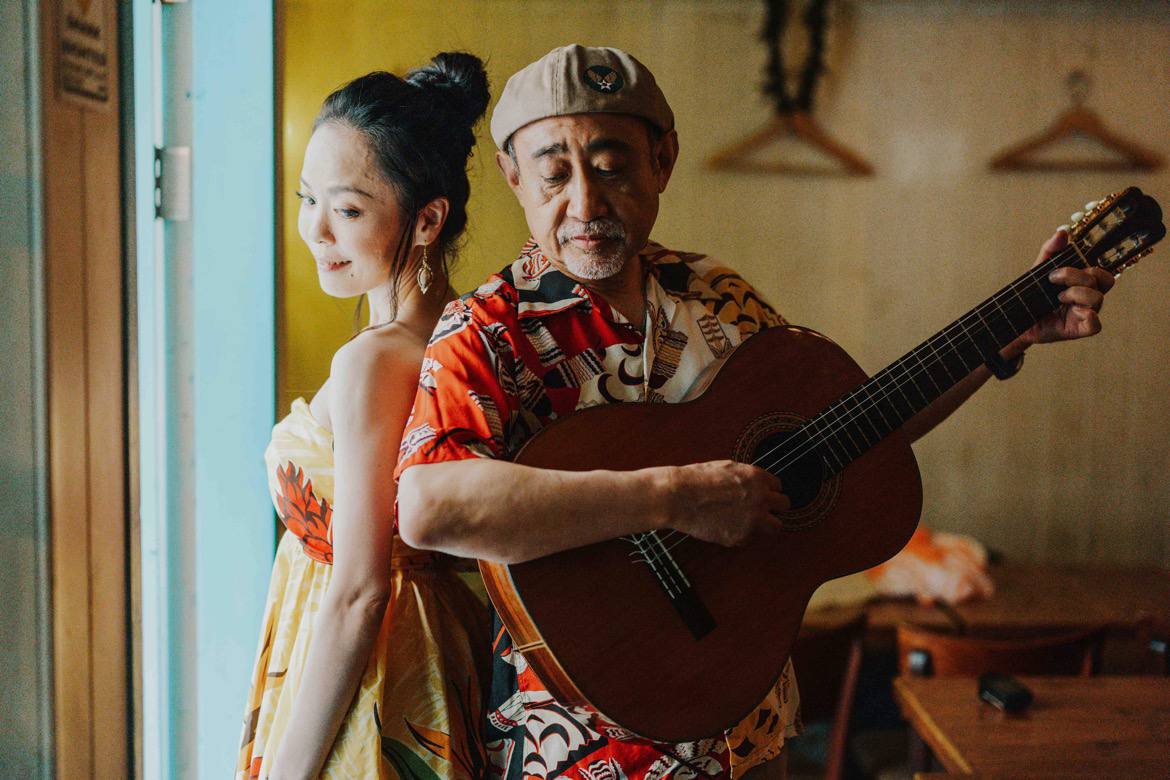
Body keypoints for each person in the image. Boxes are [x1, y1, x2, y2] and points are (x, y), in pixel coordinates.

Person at [393, 44, 1113, 779]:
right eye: (554, 174)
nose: (585, 204)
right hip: (580, 751)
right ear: (514, 177)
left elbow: (843, 436)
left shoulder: (714, 292)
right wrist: (673, 498)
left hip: (751, 732)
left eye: (611, 166)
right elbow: (429, 505)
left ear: (663, 161)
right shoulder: (486, 330)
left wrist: (1003, 341)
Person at [236, 53, 493, 780]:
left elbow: (358, 593)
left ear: (427, 219)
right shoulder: (465, 334)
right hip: (431, 660)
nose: (316, 230)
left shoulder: (374, 362)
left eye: (347, 210)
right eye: (307, 198)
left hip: (373, 680)